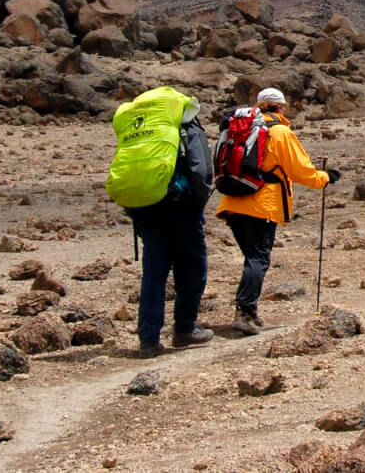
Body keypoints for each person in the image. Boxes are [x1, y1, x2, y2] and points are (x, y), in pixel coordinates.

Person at [216, 87, 338, 335]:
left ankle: (250, 310)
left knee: (252, 257)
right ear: (280, 107)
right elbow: (300, 170)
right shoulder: (281, 132)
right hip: (263, 204)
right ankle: (245, 312)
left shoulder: (239, 129)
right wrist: (324, 178)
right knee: (258, 259)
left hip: (232, 201)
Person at [126, 98, 214, 358]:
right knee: (193, 268)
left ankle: (148, 340)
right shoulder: (187, 128)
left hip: (145, 209)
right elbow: (200, 170)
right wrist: (197, 204)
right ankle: (185, 329)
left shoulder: (140, 131)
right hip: (181, 207)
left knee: (154, 273)